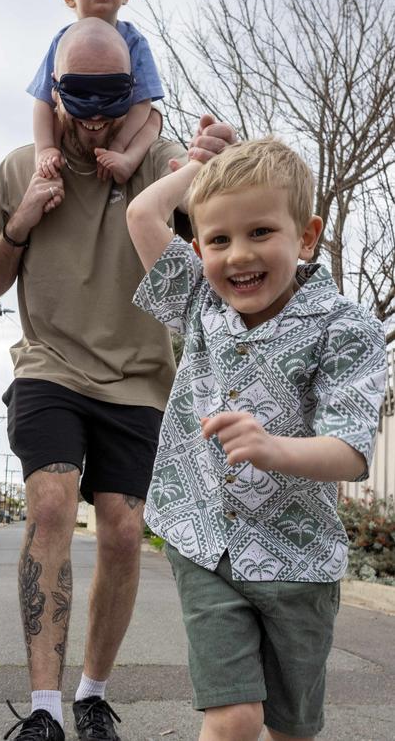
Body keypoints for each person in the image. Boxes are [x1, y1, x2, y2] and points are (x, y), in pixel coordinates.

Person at [0, 16, 234, 741]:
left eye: (113, 103)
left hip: (141, 376)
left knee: (122, 529)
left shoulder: (158, 159)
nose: (96, 125)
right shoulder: (25, 165)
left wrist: (218, 162)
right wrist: (19, 224)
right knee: (51, 503)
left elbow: (213, 214)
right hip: (50, 364)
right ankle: (46, 710)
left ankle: (91, 692)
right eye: (80, 106)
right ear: (54, 95)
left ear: (134, 90)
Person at [127, 138, 387, 741]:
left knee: (289, 729)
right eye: (218, 240)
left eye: (261, 232)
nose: (238, 255)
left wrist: (274, 449)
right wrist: (196, 168)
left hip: (299, 559)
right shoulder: (200, 302)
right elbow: (141, 215)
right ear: (198, 248)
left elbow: (350, 452)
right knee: (234, 715)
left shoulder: (346, 328)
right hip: (206, 543)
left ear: (307, 236)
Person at [29, 0, 164, 185]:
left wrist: (121, 146)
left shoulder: (134, 41)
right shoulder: (62, 43)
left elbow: (142, 100)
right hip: (76, 128)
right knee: (60, 109)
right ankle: (58, 165)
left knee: (153, 118)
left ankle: (127, 162)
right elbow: (43, 99)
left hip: (120, 129)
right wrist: (45, 148)